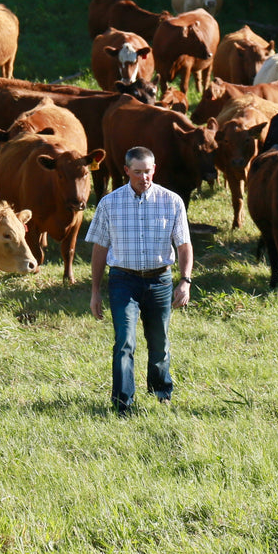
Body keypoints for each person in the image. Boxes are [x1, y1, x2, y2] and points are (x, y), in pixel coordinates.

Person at [87, 146, 192, 415]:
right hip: (123, 280)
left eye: (148, 171)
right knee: (124, 340)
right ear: (126, 171)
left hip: (160, 281)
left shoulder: (172, 201)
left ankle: (161, 391)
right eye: (137, 172)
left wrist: (185, 281)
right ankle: (123, 402)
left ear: (154, 169)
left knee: (159, 342)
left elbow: (184, 246)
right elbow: (99, 249)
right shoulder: (109, 203)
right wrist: (95, 291)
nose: (144, 177)